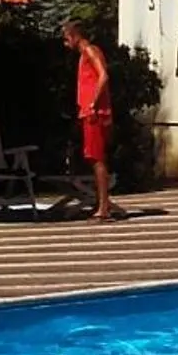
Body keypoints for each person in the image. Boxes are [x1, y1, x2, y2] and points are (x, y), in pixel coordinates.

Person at [61, 20, 119, 221]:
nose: (65, 42)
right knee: (93, 157)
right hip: (88, 113)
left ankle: (103, 207)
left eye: (66, 37)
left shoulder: (90, 51)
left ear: (76, 35)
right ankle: (104, 201)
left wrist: (93, 103)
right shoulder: (83, 55)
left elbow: (103, 75)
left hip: (94, 113)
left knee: (97, 158)